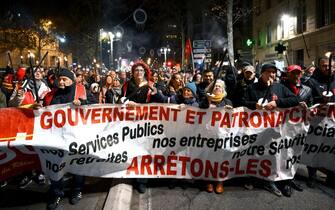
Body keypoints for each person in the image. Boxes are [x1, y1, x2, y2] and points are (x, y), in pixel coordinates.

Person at [242, 63, 299, 197]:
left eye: (274, 72)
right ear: (261, 73)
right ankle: (261, 178)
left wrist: (277, 103)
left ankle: (281, 180)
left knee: (277, 154)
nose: (272, 75)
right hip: (258, 130)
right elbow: (243, 102)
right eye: (268, 72)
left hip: (277, 129)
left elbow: (295, 99)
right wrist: (253, 105)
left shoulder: (279, 87)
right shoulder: (252, 88)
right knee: (260, 154)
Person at [45, 68, 86, 210]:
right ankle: (56, 192)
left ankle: (77, 190)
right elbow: (46, 110)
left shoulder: (81, 91)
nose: (61, 81)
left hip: (76, 136)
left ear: (71, 80)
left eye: (64, 79)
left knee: (77, 165)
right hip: (57, 137)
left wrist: (83, 103)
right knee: (56, 166)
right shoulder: (51, 94)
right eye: (60, 79)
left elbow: (94, 105)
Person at [119, 61, 160, 193]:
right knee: (133, 151)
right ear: (133, 72)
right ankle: (133, 174)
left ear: (145, 72)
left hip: (146, 124)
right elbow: (120, 101)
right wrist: (122, 100)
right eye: (136, 70)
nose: (139, 73)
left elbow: (160, 103)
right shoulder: (126, 86)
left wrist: (156, 93)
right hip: (130, 123)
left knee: (144, 152)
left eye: (141, 70)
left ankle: (142, 180)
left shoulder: (151, 86)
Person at [279, 64, 311, 196]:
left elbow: (312, 104)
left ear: (301, 74)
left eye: (298, 73)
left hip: (298, 127)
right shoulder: (280, 87)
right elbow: (278, 101)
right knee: (283, 152)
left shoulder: (307, 89)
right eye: (293, 73)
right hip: (283, 125)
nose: (296, 76)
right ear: (287, 74)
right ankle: (284, 181)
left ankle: (290, 178)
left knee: (294, 152)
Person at [201, 79, 232, 194]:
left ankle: (219, 180)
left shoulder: (227, 101)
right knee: (208, 158)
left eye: (219, 86)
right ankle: (208, 180)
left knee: (221, 158)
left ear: (223, 89)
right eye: (215, 86)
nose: (217, 88)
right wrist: (208, 103)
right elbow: (198, 115)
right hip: (208, 136)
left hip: (222, 136)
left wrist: (230, 112)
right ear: (211, 89)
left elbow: (233, 119)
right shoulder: (205, 101)